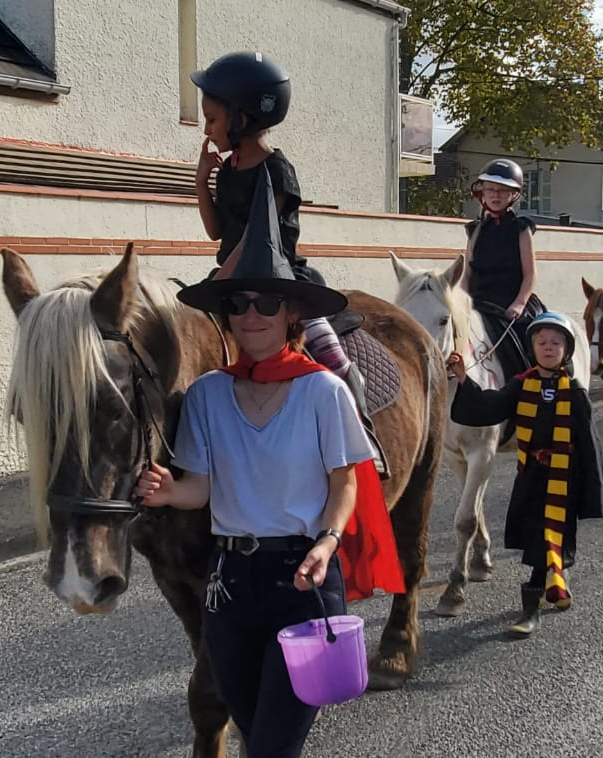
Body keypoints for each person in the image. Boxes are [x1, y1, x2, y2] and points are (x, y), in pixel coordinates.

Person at [133, 169, 404, 758]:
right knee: (256, 735)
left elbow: (344, 482)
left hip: (302, 578)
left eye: (267, 302)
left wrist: (328, 542)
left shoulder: (323, 390)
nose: (252, 314)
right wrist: (167, 491)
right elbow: (200, 488)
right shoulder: (206, 394)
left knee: (272, 749)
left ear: (291, 313)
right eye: (238, 303)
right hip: (229, 589)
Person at [190, 50, 386, 477]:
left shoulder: (277, 171)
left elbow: (257, 237)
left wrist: (221, 282)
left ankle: (363, 431)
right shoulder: (229, 170)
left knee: (328, 353)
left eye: (212, 119)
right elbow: (216, 231)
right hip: (232, 278)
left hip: (280, 281)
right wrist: (203, 179)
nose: (206, 129)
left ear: (242, 118)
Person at [445, 312, 603, 638]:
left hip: (563, 478)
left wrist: (591, 489)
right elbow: (489, 406)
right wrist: (464, 380)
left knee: (551, 537)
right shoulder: (521, 385)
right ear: (532, 348)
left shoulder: (575, 393)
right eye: (541, 342)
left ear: (567, 349)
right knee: (537, 538)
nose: (548, 347)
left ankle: (531, 609)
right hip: (532, 476)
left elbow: (589, 445)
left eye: (556, 343)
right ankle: (553, 582)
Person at [461, 158, 544, 379]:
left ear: (514, 195)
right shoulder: (475, 230)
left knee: (534, 343)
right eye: (490, 189)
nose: (495, 195)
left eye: (503, 191)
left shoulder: (521, 228)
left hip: (510, 304)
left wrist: (519, 304)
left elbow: (530, 274)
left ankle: (533, 386)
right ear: (482, 192)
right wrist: (459, 301)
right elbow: (467, 273)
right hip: (478, 301)